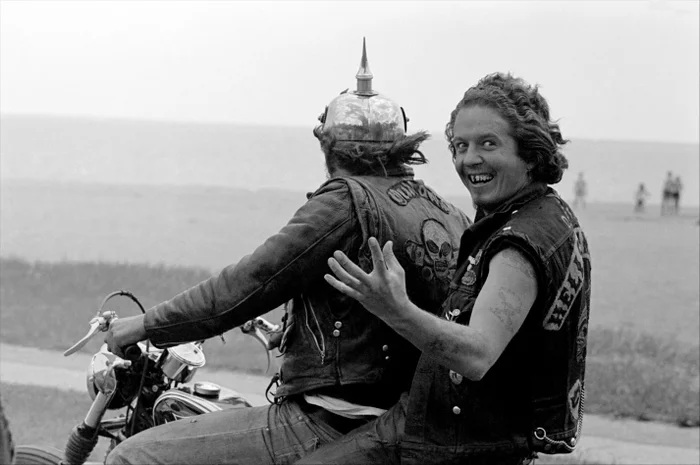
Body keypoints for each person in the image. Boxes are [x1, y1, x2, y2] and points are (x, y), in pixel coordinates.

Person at [103, 40, 471, 465]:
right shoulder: (447, 211)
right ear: (402, 145)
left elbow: (245, 285)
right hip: (405, 421)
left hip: (335, 419)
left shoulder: (343, 203)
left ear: (327, 145)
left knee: (133, 456)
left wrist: (143, 325)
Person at [299, 72, 592, 464]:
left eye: (488, 143)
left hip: (452, 444)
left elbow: (477, 355)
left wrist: (393, 308)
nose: (469, 159)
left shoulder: (517, 246)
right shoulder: (551, 214)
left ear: (530, 150)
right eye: (460, 145)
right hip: (458, 432)